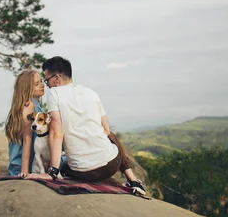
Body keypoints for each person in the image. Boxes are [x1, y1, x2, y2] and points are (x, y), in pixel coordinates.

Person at [31, 56, 146, 195]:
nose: (47, 85)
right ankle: (133, 180)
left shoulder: (55, 93)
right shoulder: (91, 93)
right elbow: (106, 130)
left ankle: (127, 181)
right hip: (111, 165)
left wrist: (53, 172)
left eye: (47, 80)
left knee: (65, 163)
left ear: (57, 78)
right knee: (111, 136)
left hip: (82, 173)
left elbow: (56, 133)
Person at [4, 70, 44, 177]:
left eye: (41, 81)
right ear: (26, 89)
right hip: (24, 166)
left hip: (32, 163)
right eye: (36, 84)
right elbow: (27, 138)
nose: (42, 85)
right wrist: (25, 171)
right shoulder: (29, 105)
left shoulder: (36, 105)